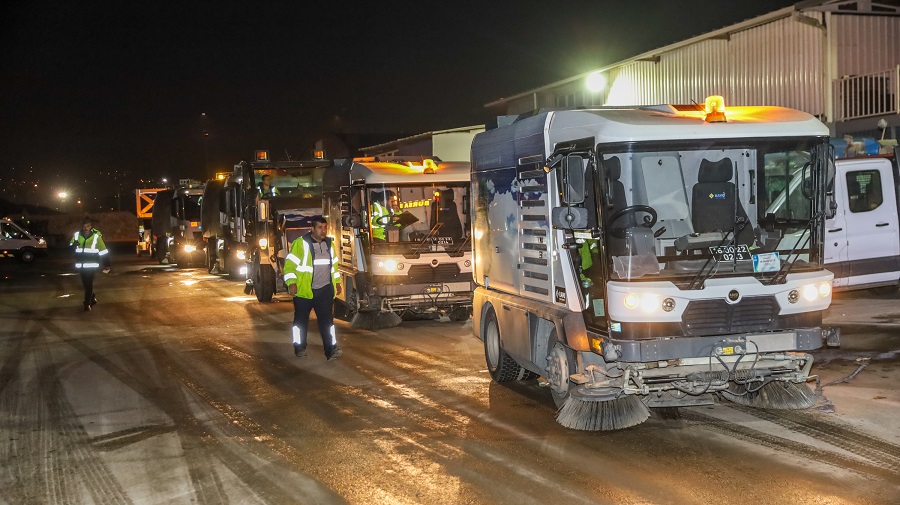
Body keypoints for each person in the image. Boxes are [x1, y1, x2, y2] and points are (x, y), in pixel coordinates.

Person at [283, 216, 343, 360]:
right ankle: (299, 348)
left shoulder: (329, 244)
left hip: (324, 291)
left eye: (325, 227)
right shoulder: (300, 244)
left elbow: (333, 267)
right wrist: (291, 282)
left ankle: (331, 350)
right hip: (304, 292)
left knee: (328, 324)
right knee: (300, 323)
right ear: (312, 229)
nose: (323, 231)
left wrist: (337, 283)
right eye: (320, 228)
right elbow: (290, 266)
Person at [70, 216, 110, 312]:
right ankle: (92, 297)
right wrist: (73, 245)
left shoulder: (96, 237)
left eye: (88, 226)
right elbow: (70, 247)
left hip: (92, 265)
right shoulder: (76, 235)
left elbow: (103, 251)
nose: (86, 228)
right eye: (84, 226)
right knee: (86, 284)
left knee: (89, 284)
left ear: (91, 226)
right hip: (81, 265)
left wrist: (107, 264)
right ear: (82, 226)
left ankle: (87, 303)